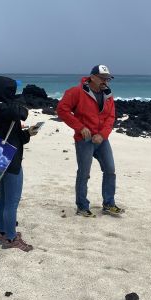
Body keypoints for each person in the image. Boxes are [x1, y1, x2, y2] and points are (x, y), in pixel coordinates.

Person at [56, 64, 124, 217]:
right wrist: (80, 127)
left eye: (108, 79)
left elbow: (111, 117)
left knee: (110, 169)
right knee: (84, 173)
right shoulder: (76, 92)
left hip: (101, 140)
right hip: (84, 139)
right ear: (92, 77)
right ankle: (82, 206)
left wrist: (102, 135)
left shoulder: (108, 95)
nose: (105, 81)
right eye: (102, 78)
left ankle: (108, 204)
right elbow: (62, 109)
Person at [0, 75, 39, 252]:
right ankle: (11, 238)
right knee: (11, 201)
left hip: (2, 158)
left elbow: (12, 136)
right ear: (6, 91)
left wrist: (28, 134)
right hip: (11, 161)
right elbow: (21, 112)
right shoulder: (2, 108)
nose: (15, 93)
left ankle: (2, 233)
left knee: (3, 199)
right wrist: (19, 101)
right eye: (12, 90)